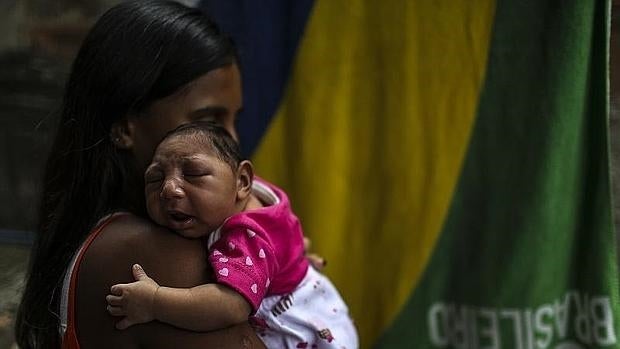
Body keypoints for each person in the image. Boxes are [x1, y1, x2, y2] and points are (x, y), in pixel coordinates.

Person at [14, 1, 321, 348]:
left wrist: (277, 260)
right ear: (125, 126)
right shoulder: (153, 254)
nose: (233, 141)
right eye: (208, 120)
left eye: (234, 120)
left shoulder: (110, 233)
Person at [105, 122, 358, 348]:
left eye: (193, 174)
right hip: (326, 309)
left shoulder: (246, 236)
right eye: (155, 179)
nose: (169, 190)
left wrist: (155, 302)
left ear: (243, 181)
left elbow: (232, 306)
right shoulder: (254, 193)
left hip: (304, 331)